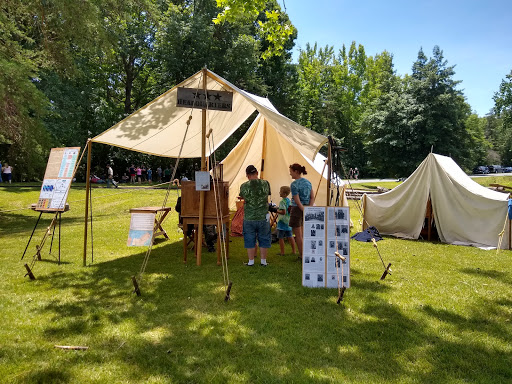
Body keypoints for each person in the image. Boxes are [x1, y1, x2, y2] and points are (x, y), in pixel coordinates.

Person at [239, 164, 271, 266]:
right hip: (263, 216)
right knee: (264, 237)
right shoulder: (266, 183)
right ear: (257, 173)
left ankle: (251, 261)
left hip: (249, 216)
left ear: (247, 175)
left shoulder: (244, 186)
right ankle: (263, 261)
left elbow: (243, 197)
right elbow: (267, 197)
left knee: (249, 238)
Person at [289, 163, 315, 259]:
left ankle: (302, 255)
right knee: (305, 234)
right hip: (307, 208)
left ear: (296, 172)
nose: (290, 174)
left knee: (298, 235)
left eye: (291, 172)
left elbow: (297, 201)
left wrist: (303, 209)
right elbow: (312, 197)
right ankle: (307, 253)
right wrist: (309, 208)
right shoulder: (308, 183)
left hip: (297, 209)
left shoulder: (294, 184)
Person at [276, 185, 296, 256]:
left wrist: (276, 210)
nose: (279, 193)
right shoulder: (289, 201)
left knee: (280, 237)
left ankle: (282, 252)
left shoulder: (282, 202)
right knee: (290, 236)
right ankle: (294, 251)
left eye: (280, 192)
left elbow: (283, 212)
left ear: (284, 194)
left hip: (282, 222)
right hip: (288, 221)